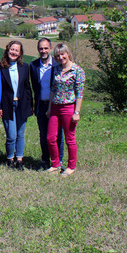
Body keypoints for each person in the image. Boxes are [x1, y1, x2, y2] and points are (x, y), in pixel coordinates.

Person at [46, 43, 85, 177]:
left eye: (63, 54)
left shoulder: (77, 70)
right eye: (57, 55)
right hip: (55, 107)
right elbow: (52, 90)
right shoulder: (56, 69)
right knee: (50, 137)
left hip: (69, 107)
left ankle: (71, 167)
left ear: (68, 53)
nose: (60, 57)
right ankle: (55, 164)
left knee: (69, 138)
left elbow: (80, 93)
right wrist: (49, 108)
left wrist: (77, 112)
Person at [0, 41, 33, 171]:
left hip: (22, 104)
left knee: (20, 134)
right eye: (12, 49)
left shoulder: (25, 67)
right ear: (7, 50)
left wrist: (30, 105)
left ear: (20, 53)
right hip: (7, 104)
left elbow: (27, 87)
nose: (14, 52)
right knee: (11, 135)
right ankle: (10, 159)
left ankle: (19, 159)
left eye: (16, 50)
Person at [30, 38, 64, 170]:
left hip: (55, 105)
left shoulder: (58, 64)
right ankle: (45, 160)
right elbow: (34, 87)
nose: (43, 51)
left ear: (50, 48)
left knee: (57, 134)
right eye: (40, 49)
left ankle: (59, 161)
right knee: (43, 135)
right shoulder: (33, 65)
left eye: (45, 48)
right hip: (41, 105)